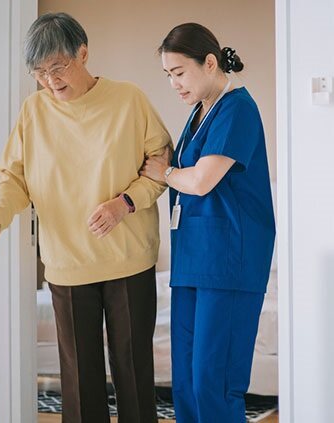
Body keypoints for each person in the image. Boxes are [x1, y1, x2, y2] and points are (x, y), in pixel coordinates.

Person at [0, 12, 173, 423]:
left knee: (133, 374)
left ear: (83, 53)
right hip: (66, 264)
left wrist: (125, 204)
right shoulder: (33, 112)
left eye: (58, 68)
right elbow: (13, 177)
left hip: (129, 259)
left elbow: (161, 161)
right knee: (79, 384)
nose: (50, 80)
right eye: (39, 73)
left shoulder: (128, 99)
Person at [140, 22, 275, 423]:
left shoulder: (238, 108)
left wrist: (164, 173)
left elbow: (200, 180)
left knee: (213, 385)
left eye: (180, 73)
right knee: (185, 384)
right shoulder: (199, 113)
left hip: (228, 262)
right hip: (192, 261)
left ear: (210, 62)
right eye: (168, 76)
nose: (174, 84)